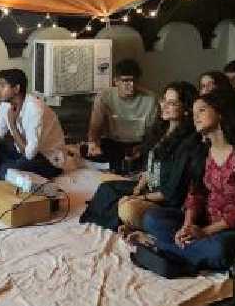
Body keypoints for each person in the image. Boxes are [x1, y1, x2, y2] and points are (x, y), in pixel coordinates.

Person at [140, 89, 235, 273]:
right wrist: (187, 226)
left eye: (201, 110)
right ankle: (181, 249)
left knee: (219, 250)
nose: (195, 117)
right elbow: (195, 194)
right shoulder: (203, 152)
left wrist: (204, 232)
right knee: (152, 218)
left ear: (221, 113)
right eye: (193, 113)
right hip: (205, 222)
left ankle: (159, 247)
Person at [80, 82, 204, 235]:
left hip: (164, 199)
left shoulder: (188, 143)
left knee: (127, 207)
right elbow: (150, 167)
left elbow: (171, 193)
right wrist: (138, 187)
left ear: (186, 109)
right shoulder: (161, 131)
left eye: (171, 103)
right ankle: (106, 218)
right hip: (148, 187)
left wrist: (140, 197)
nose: (164, 105)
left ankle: (117, 220)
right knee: (106, 188)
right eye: (164, 100)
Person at [0, 68, 66, 180]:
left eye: (2, 86)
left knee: (7, 168)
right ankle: (8, 168)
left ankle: (7, 169)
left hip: (47, 159)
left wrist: (13, 125)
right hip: (22, 152)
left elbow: (29, 154)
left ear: (16, 88)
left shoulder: (34, 109)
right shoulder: (6, 105)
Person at [86, 59, 157, 173]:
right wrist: (93, 142)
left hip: (138, 144)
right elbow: (95, 125)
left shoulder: (150, 99)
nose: (131, 85)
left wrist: (141, 148)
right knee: (86, 153)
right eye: (126, 81)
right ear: (116, 81)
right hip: (113, 143)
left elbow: (152, 132)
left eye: (134, 81)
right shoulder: (104, 96)